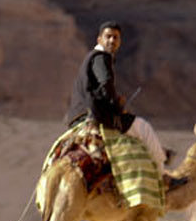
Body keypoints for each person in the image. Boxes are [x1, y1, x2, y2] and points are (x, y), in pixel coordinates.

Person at [66, 21, 166, 209]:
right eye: (108, 36)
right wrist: (117, 107)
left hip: (76, 117)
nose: (112, 40)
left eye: (115, 37)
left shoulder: (92, 58)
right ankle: (161, 180)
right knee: (144, 128)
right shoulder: (101, 57)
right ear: (99, 39)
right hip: (95, 114)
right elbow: (105, 87)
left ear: (120, 42)